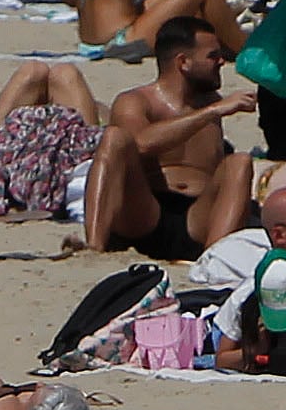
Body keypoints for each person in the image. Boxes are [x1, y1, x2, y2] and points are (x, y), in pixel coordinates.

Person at [82, 14, 255, 259]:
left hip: (198, 216)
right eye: (212, 56)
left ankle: (215, 259)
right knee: (114, 138)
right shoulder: (136, 101)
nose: (221, 62)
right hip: (145, 213)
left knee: (240, 162)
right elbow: (142, 143)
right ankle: (93, 246)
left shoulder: (212, 104)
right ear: (183, 62)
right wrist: (212, 112)